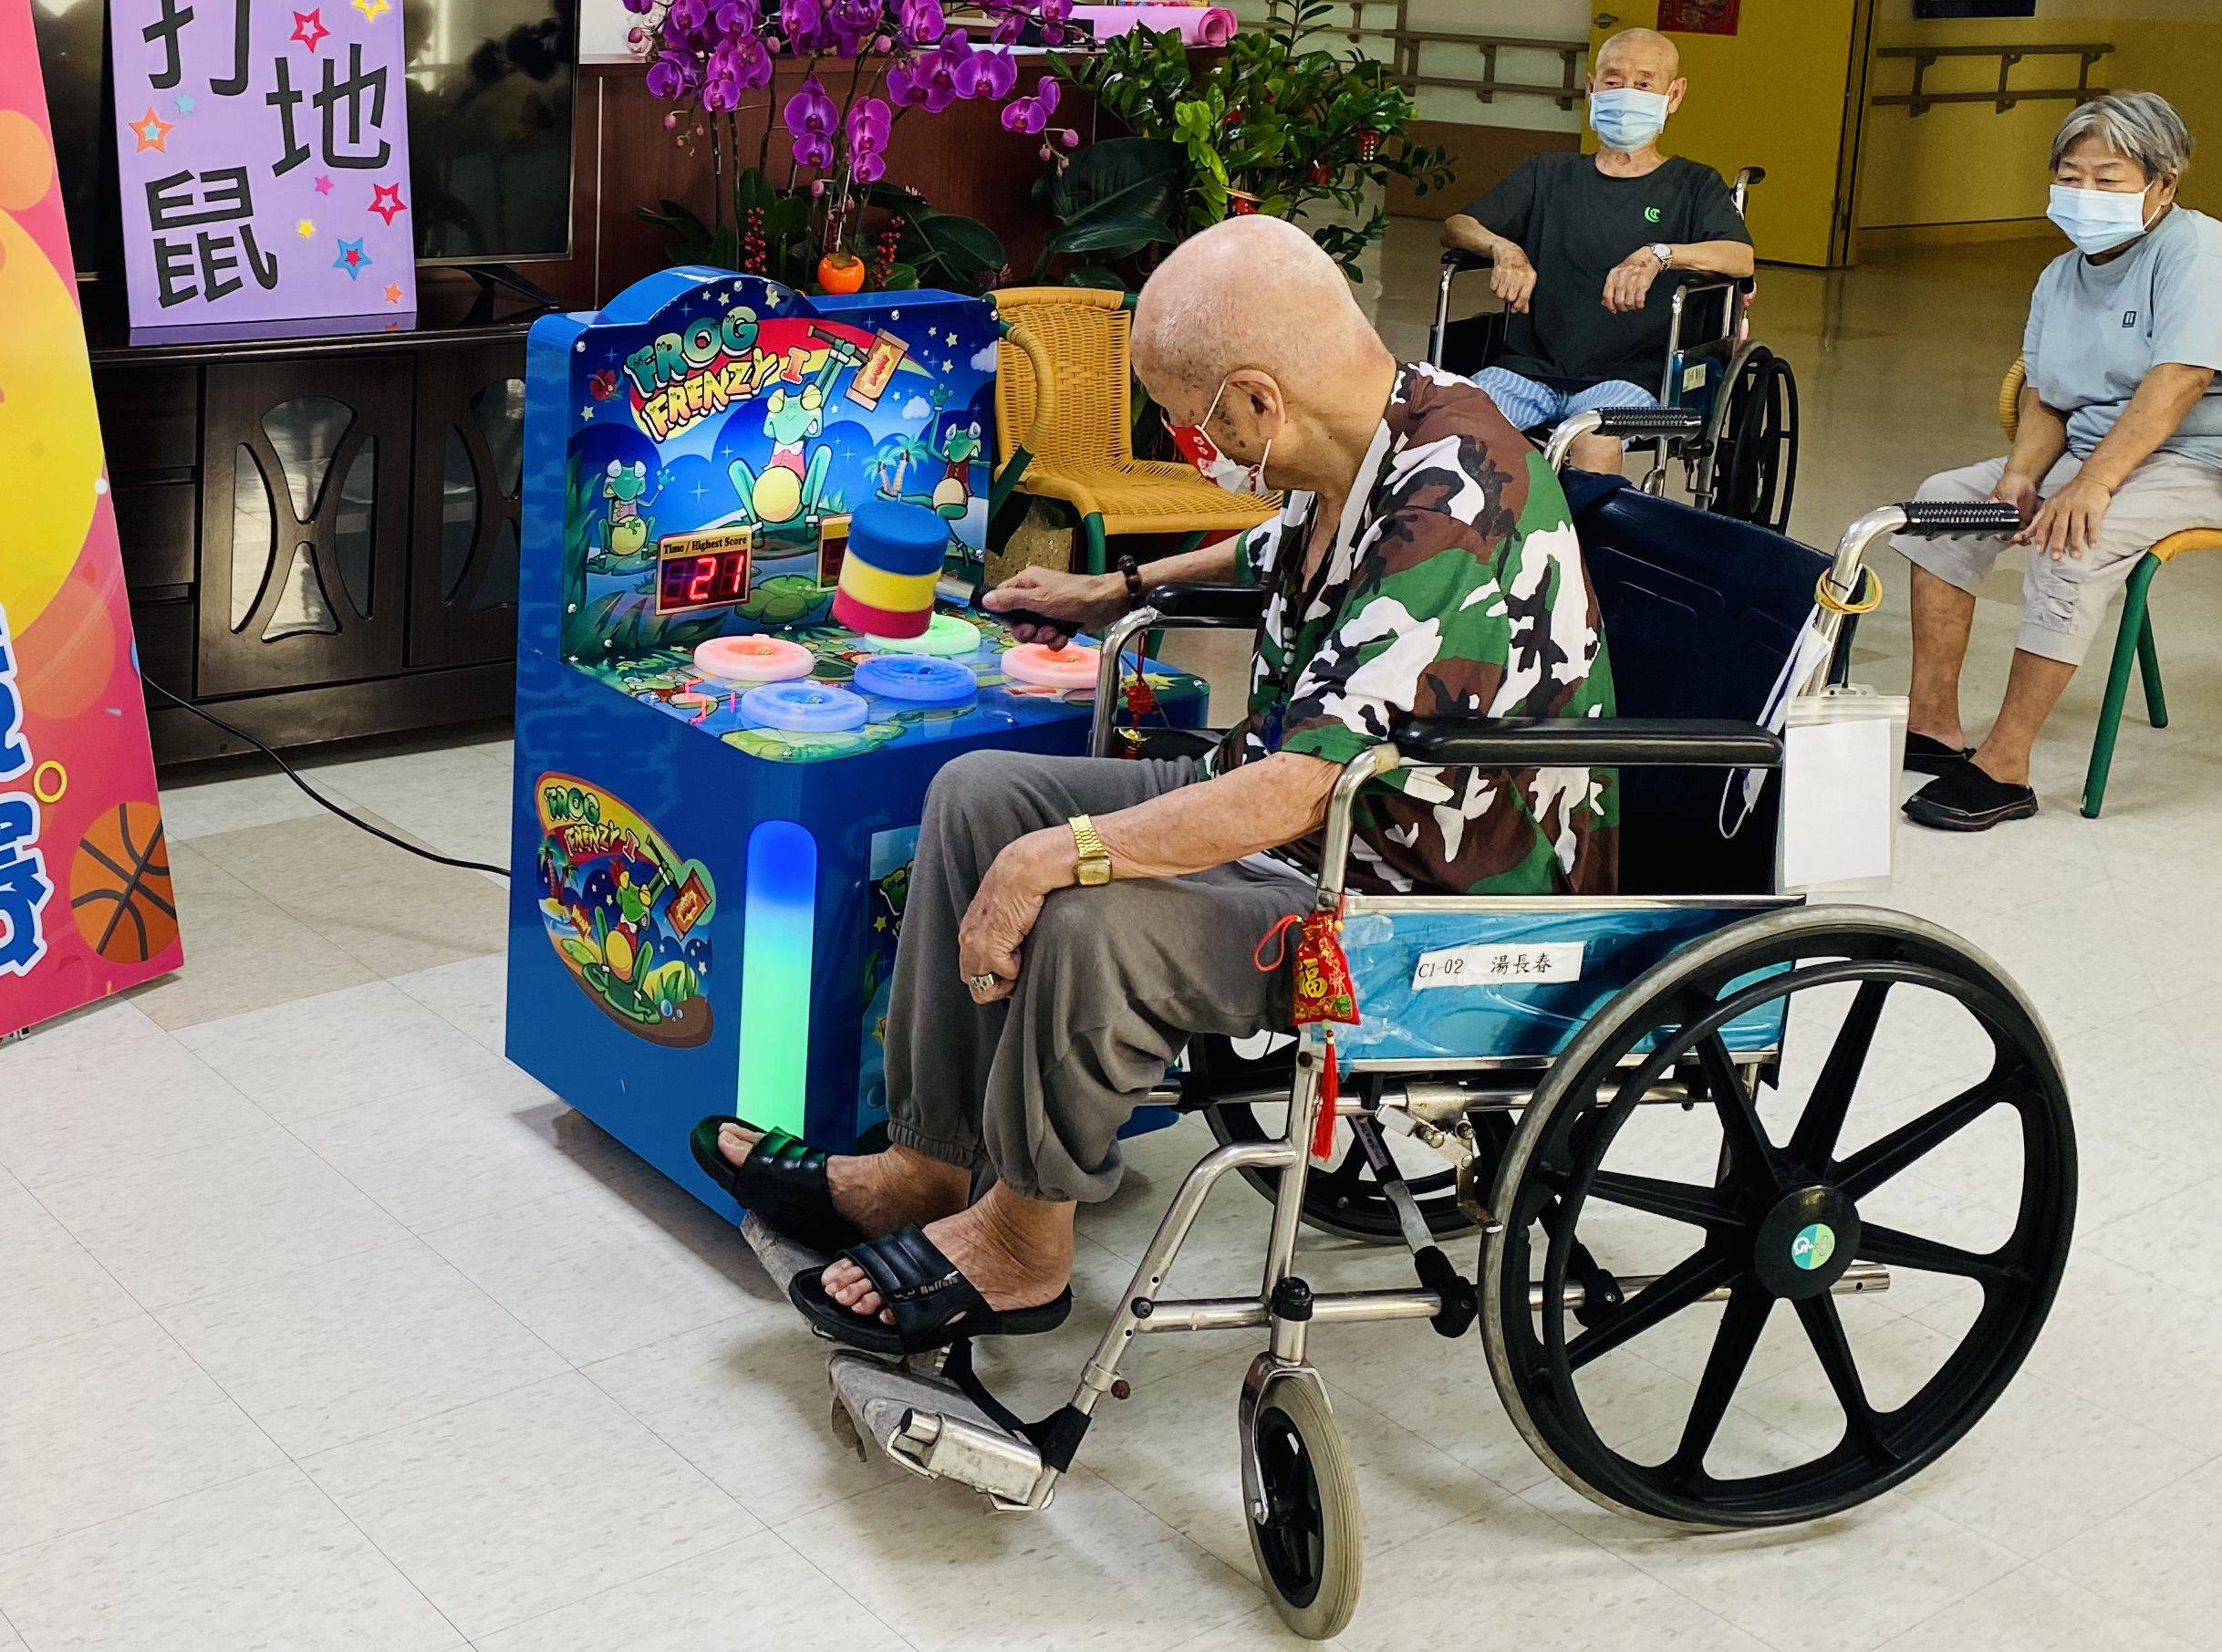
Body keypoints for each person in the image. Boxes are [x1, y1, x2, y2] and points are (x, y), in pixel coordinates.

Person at [691, 218, 1615, 1354]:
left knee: (1085, 913)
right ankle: (929, 1165)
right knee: (979, 794)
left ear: (1259, 402)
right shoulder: (1386, 416)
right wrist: (1114, 587)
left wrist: (1059, 858)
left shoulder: (1460, 497)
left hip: (1405, 895)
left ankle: (1026, 1243)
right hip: (1313, 809)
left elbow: (1296, 795)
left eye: (1195, 418)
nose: (1191, 446)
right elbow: (1273, 548)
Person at [1893, 90, 2222, 832]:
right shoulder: (2064, 273)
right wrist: (2020, 476)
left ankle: (2005, 767)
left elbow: (2180, 385)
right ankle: (1934, 728)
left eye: (2110, 178)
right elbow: (2050, 396)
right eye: (2072, 175)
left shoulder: (2202, 254)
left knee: (2074, 539)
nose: (2085, 195)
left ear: (2164, 186)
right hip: (2124, 453)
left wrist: (2091, 486)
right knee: (1943, 506)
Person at [1441, 26, 1754, 474]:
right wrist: (1504, 249)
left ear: (1674, 94)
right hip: (1529, 369)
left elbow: (1739, 256)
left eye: (1644, 83)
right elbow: (1457, 226)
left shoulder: (1694, 184)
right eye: (1612, 81)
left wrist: (1659, 254)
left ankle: (1579, 544)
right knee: (1450, 428)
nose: (1626, 94)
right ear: (1592, 88)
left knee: (1592, 440)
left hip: (1630, 378)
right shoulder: (1547, 173)